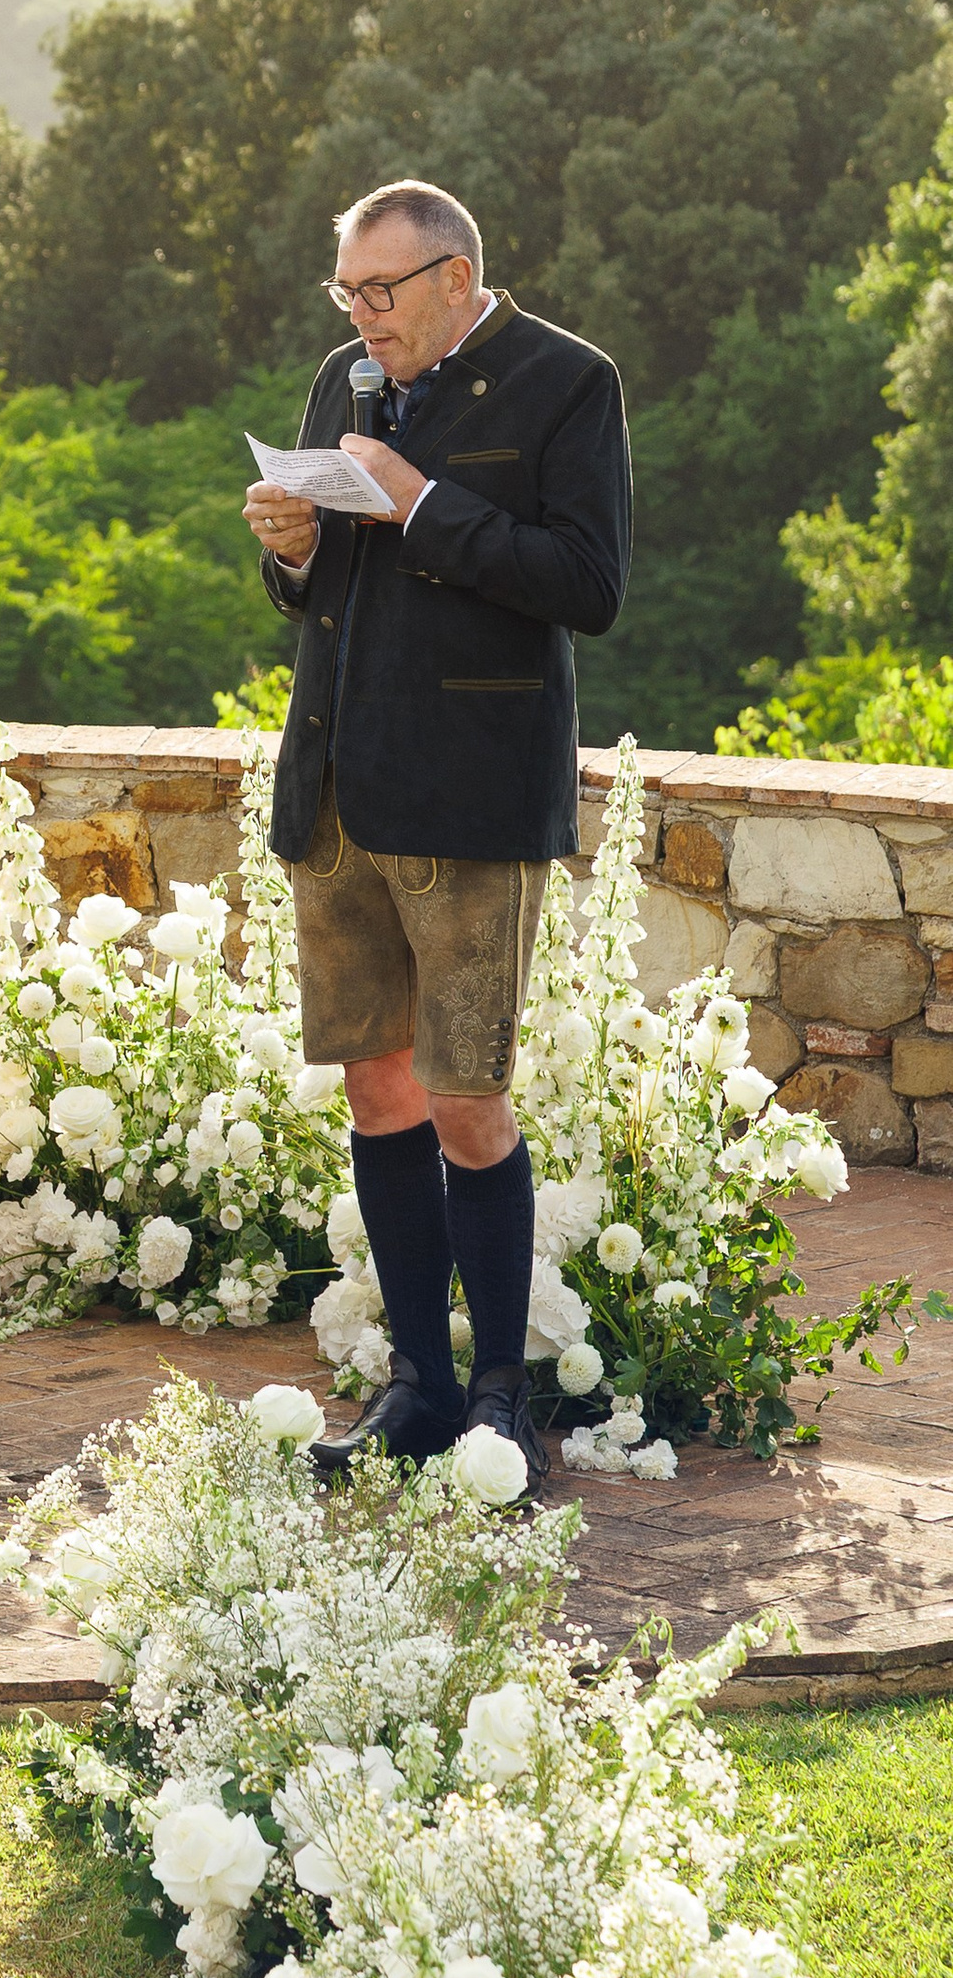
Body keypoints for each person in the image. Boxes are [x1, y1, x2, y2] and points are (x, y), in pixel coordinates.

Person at [242, 179, 631, 1498]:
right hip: (339, 783)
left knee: (468, 1098)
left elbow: (588, 583)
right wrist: (291, 548)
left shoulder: (568, 381)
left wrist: (415, 502)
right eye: (348, 292)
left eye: (382, 291)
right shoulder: (342, 381)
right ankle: (410, 1388)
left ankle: (499, 1400)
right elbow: (318, 595)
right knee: (378, 1090)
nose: (362, 316)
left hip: (470, 796)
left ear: (457, 277)